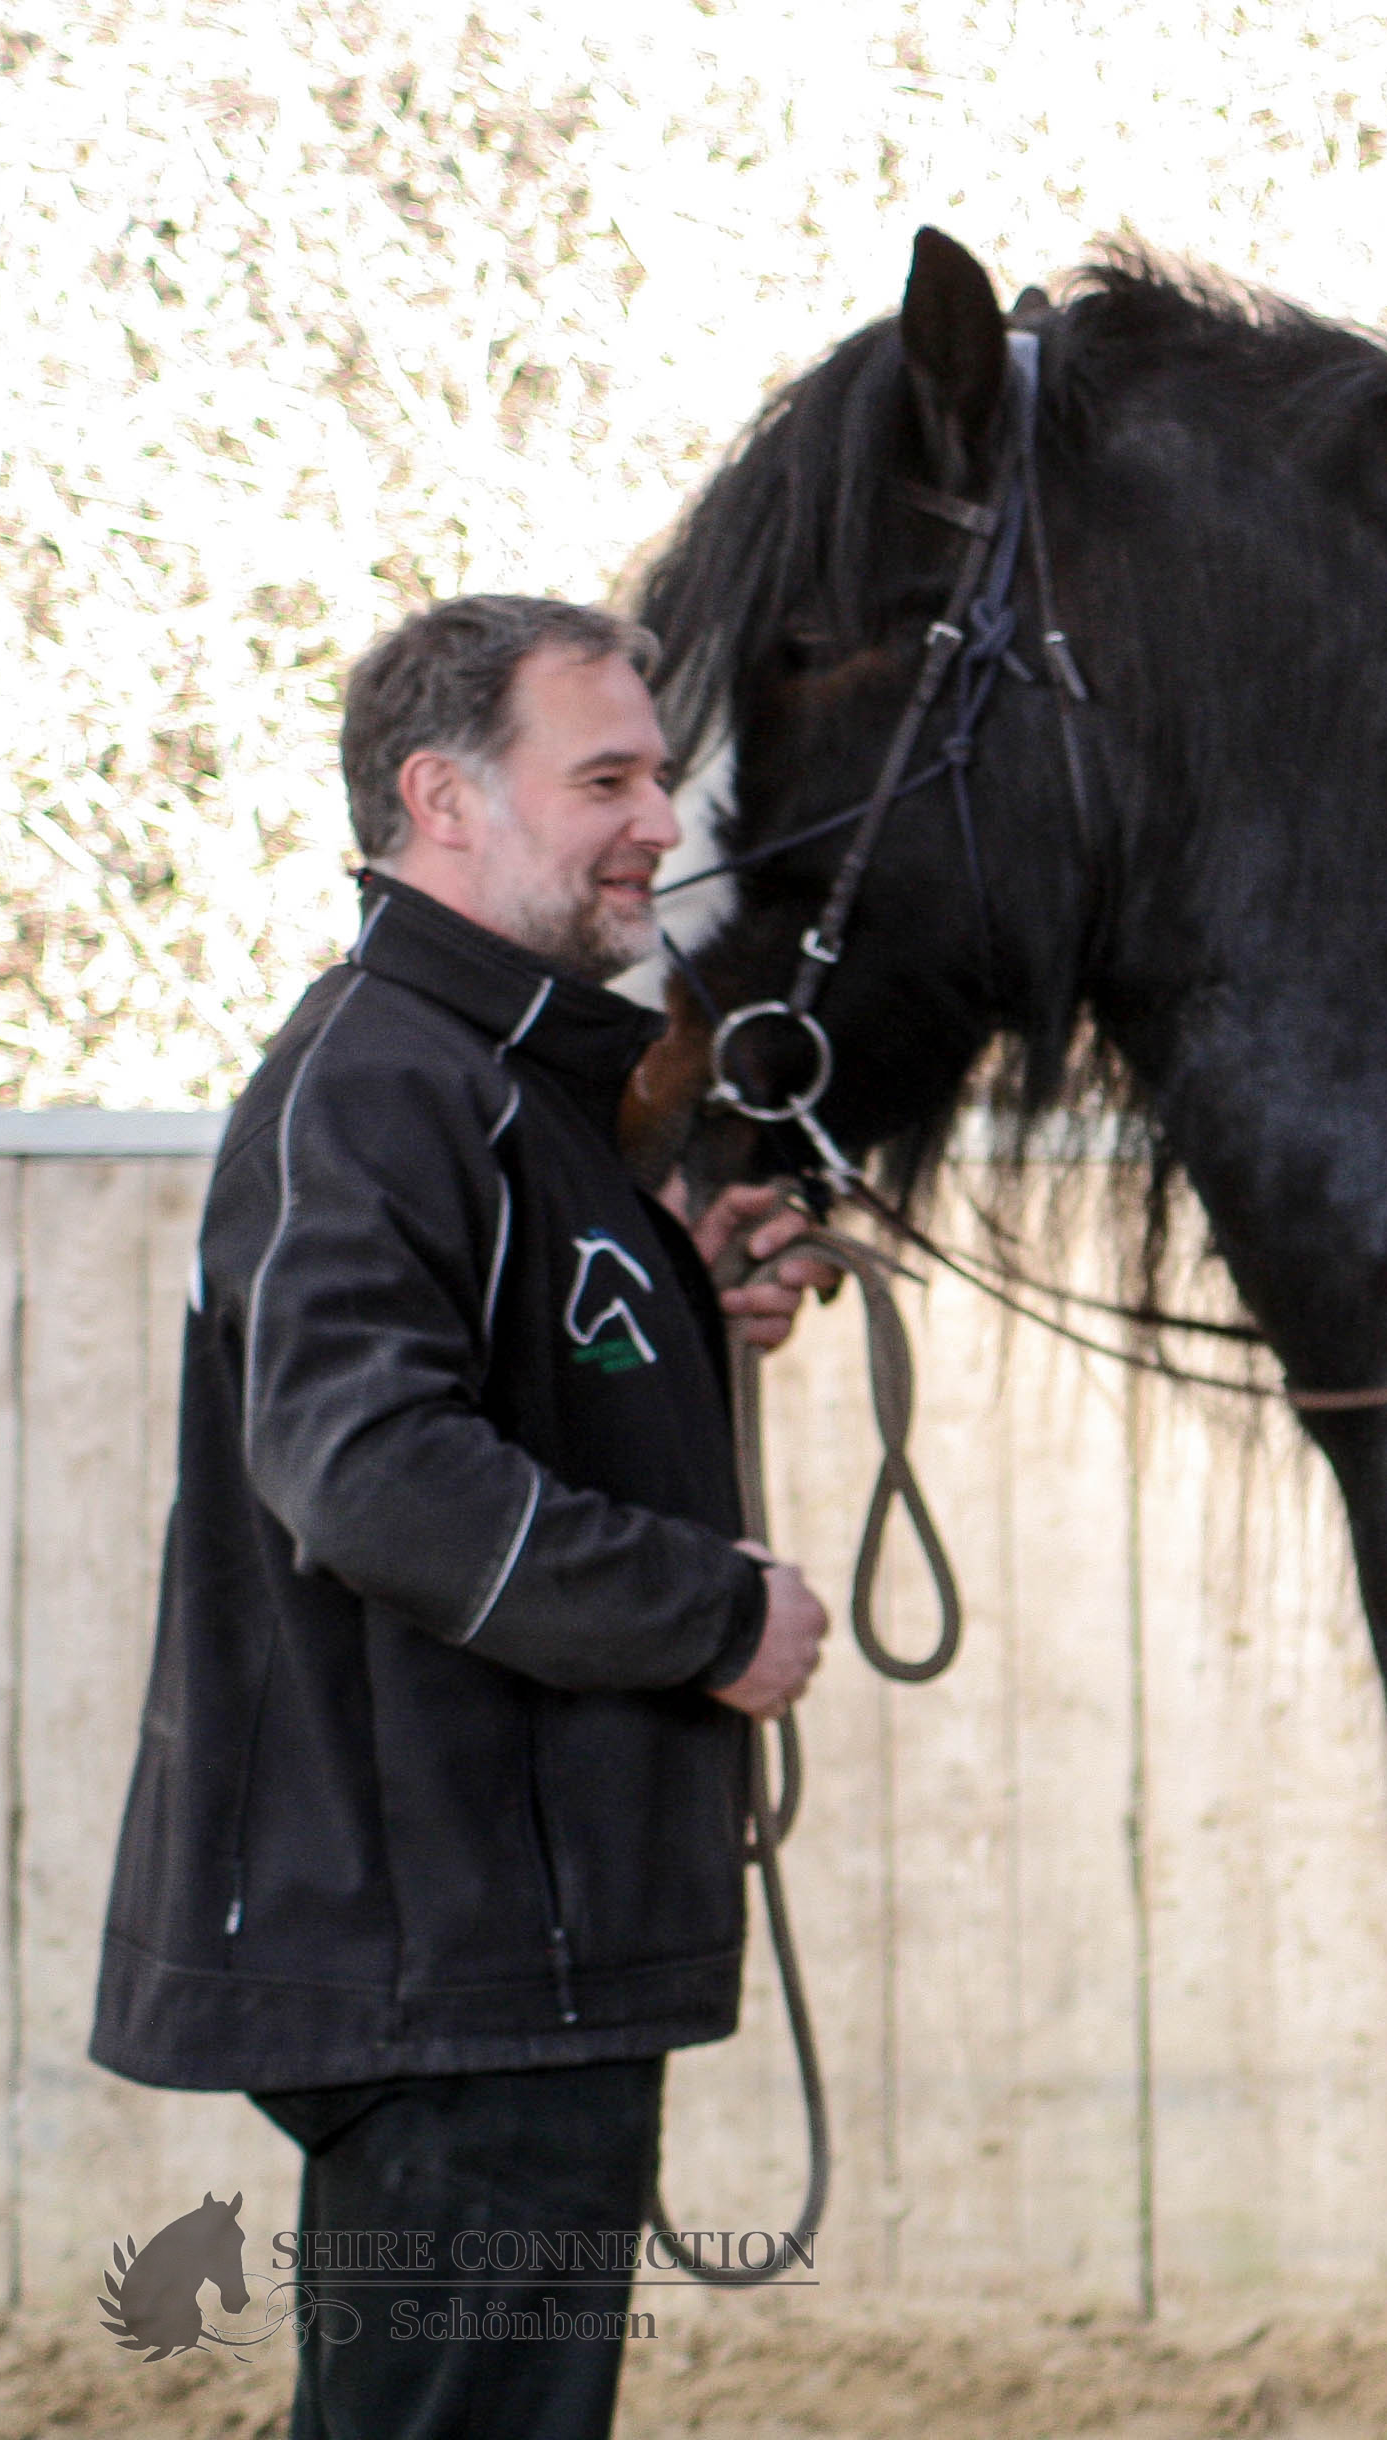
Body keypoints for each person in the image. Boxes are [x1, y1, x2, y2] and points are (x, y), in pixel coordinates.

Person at [89, 594, 838, 2440]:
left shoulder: (504, 1085)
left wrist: (671, 1284)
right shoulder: (379, 1082)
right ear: (442, 797)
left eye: (656, 774)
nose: (661, 821)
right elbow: (368, 1471)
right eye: (606, 777)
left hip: (505, 1946)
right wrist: (710, 1614)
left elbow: (501, 1363)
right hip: (456, 1953)